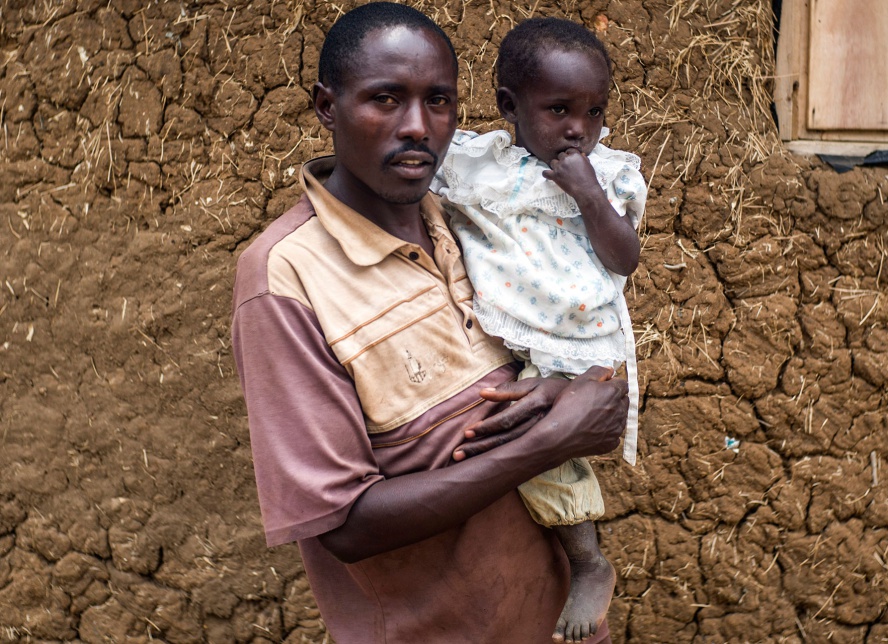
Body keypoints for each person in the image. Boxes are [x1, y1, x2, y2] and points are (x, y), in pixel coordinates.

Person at [230, 4, 628, 643]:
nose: (418, 127)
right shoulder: (287, 278)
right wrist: (552, 441)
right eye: (385, 99)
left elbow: (569, 380)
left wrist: (563, 396)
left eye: (438, 101)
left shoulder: (479, 226)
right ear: (327, 106)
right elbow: (345, 527)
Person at [432, 17, 647, 643]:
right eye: (559, 109)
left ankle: (588, 562)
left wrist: (591, 199)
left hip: (578, 343)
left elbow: (624, 258)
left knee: (536, 440)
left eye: (595, 111)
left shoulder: (607, 174)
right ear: (508, 106)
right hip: (506, 334)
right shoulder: (477, 164)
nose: (580, 127)